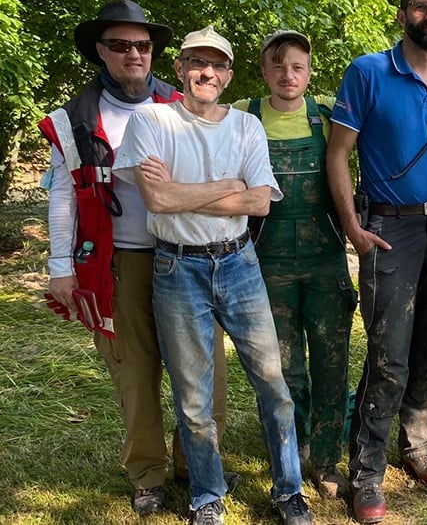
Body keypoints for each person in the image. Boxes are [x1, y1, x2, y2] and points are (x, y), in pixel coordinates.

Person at [38, 0, 232, 516]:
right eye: (121, 45)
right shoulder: (76, 118)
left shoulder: (181, 103)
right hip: (119, 264)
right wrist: (60, 267)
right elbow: (62, 192)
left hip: (188, 257)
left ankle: (200, 466)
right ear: (101, 52)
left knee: (204, 369)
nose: (133, 54)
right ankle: (148, 475)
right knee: (135, 373)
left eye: (143, 45)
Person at [113, 26, 311, 525]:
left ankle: (289, 491)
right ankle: (207, 495)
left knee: (274, 384)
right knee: (194, 396)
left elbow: (259, 200)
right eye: (196, 62)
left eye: (217, 64)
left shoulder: (245, 126)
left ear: (227, 74)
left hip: (239, 262)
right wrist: (227, 185)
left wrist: (186, 190)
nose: (207, 72)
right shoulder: (151, 120)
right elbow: (156, 200)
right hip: (176, 266)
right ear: (179, 69)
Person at [325, 0, 427, 524]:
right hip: (389, 229)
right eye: (421, 7)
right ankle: (366, 470)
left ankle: (416, 443)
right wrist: (352, 226)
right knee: (389, 353)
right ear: (402, 14)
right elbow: (339, 153)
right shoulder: (368, 72)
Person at [233, 29, 357, 499]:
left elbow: (381, 115)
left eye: (298, 67)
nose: (289, 75)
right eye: (279, 66)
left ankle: (326, 460)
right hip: (265, 264)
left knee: (331, 362)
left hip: (326, 261)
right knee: (283, 367)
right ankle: (294, 446)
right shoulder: (242, 116)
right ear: (263, 71)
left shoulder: (328, 115)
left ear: (309, 73)